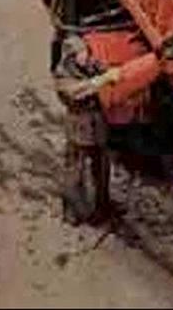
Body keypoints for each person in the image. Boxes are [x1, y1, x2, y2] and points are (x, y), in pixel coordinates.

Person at [52, 34, 112, 225]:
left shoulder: (90, 66)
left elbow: (105, 71)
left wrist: (112, 73)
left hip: (98, 125)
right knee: (75, 171)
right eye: (81, 53)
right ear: (71, 56)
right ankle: (71, 208)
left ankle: (102, 205)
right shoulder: (62, 75)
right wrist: (100, 81)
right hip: (79, 126)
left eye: (86, 52)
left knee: (102, 168)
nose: (85, 56)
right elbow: (77, 92)